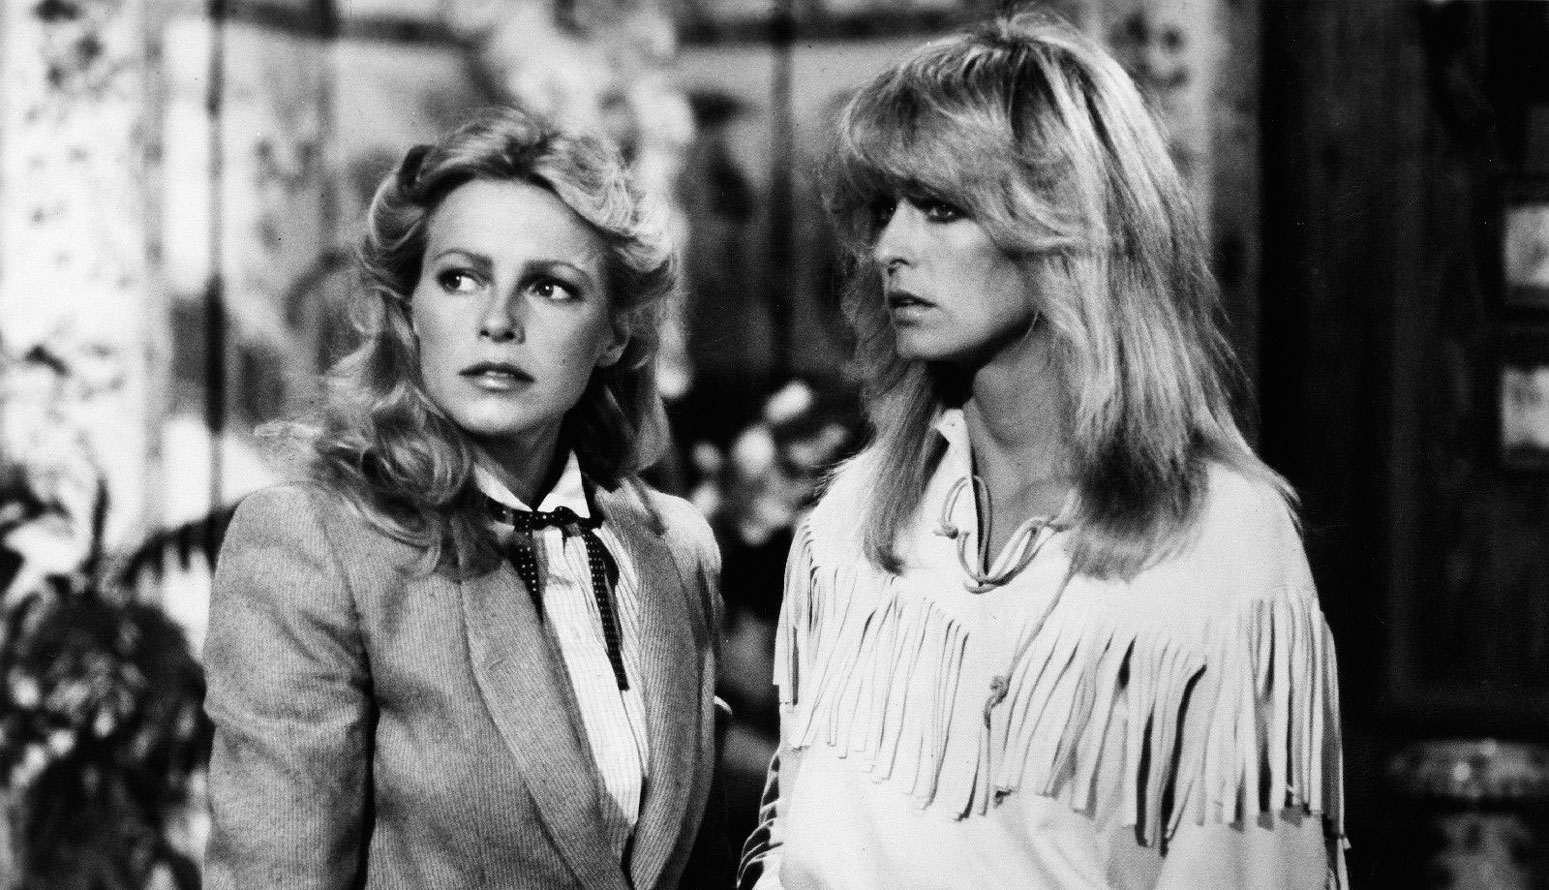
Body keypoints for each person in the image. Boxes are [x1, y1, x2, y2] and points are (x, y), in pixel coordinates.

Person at [738, 12, 1346, 890]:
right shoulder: (853, 520)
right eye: (884, 211)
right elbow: (792, 844)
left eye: (941, 209)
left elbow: (1254, 872)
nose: (890, 248)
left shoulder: (1215, 540)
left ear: (1067, 225)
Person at [203, 106, 730, 890]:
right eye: (459, 278)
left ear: (615, 332)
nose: (497, 322)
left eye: (550, 288)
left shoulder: (674, 550)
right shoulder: (312, 541)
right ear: (409, 310)